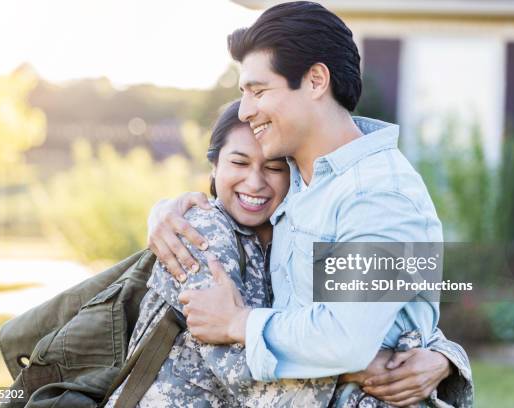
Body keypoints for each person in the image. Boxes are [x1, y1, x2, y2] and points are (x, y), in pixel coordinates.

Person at [146, 2, 473, 407]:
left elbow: (345, 337)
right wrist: (167, 209)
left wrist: (237, 322)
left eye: (259, 91)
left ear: (316, 80)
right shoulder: (300, 180)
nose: (246, 111)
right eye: (243, 94)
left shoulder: (377, 194)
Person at [106, 100, 467, 407]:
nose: (255, 182)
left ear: (292, 174)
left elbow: (377, 312)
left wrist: (444, 359)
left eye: (274, 167)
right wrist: (360, 363)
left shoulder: (294, 234)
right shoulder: (201, 233)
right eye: (239, 163)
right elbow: (241, 370)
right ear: (214, 167)